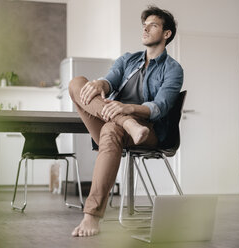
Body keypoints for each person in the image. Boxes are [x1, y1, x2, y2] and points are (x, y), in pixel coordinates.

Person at [68, 5, 183, 237]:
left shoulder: (173, 70)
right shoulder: (128, 60)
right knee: (76, 83)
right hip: (117, 120)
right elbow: (109, 81)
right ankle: (125, 123)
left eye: (153, 25)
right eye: (144, 25)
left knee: (111, 129)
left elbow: (159, 107)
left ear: (166, 33)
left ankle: (91, 217)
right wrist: (100, 85)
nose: (145, 28)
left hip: (147, 129)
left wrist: (128, 109)